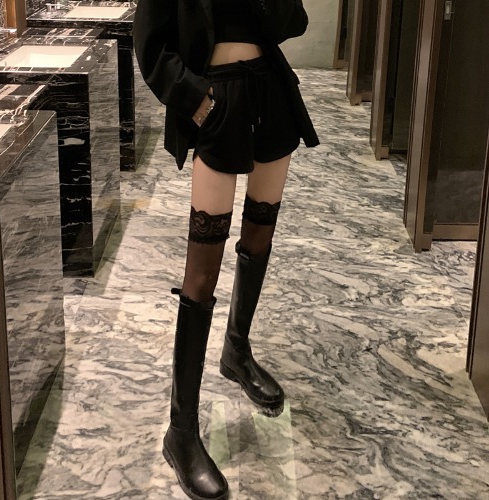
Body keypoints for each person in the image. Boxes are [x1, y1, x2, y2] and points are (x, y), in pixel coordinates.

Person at [133, 1, 319, 499]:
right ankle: (181, 431)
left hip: (270, 93)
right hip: (216, 99)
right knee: (202, 270)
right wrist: (196, 99)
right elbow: (150, 46)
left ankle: (236, 350)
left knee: (260, 235)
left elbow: (293, 21)